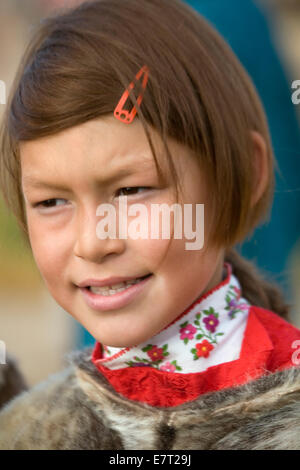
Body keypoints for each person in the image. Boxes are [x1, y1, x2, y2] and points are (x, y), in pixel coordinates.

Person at [0, 0, 299, 450]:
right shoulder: (28, 431)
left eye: (131, 191)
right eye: (52, 201)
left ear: (244, 175)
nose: (93, 242)